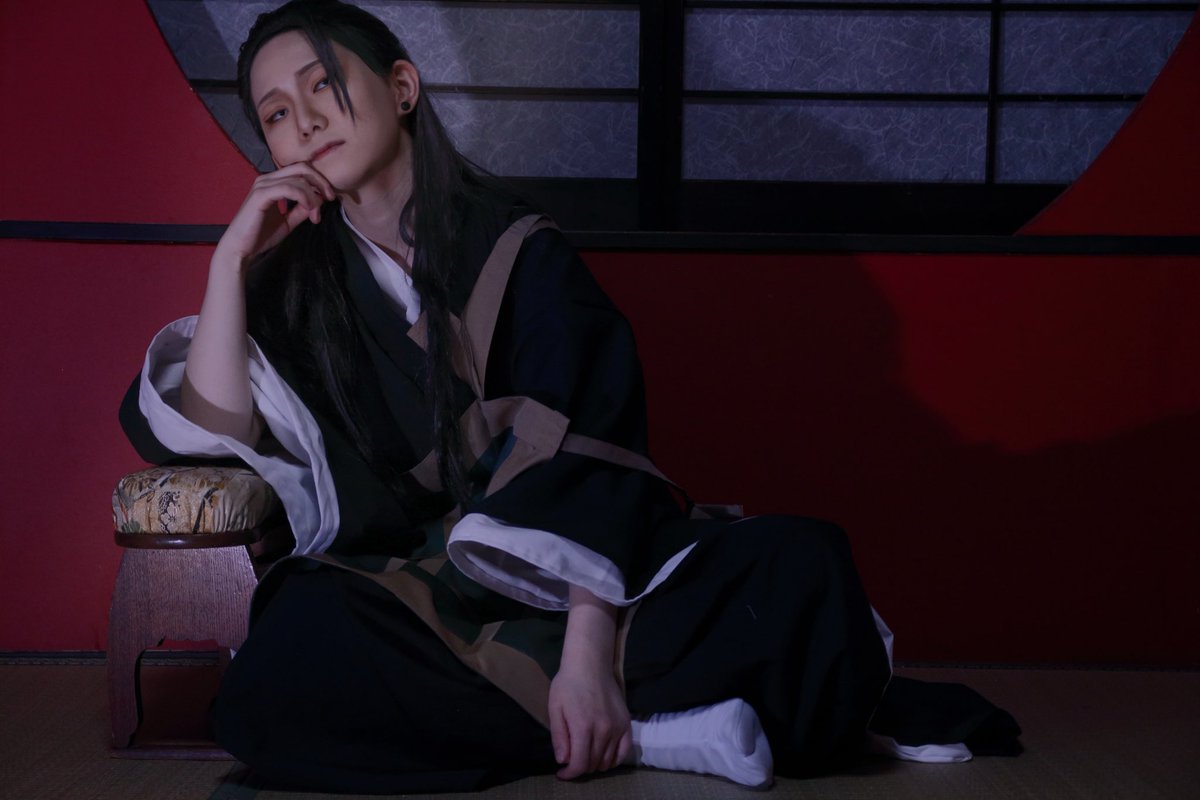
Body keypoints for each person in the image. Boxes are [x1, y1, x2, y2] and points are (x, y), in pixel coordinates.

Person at [120, 0, 1019, 793]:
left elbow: (593, 448)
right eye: (277, 113)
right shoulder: (300, 288)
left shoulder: (521, 249)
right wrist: (229, 263)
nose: (306, 120)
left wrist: (588, 655)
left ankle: (593, 712)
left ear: (402, 86)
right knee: (282, 667)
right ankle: (652, 736)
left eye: (324, 84)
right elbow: (212, 431)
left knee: (801, 575)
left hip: (595, 588)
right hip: (424, 595)